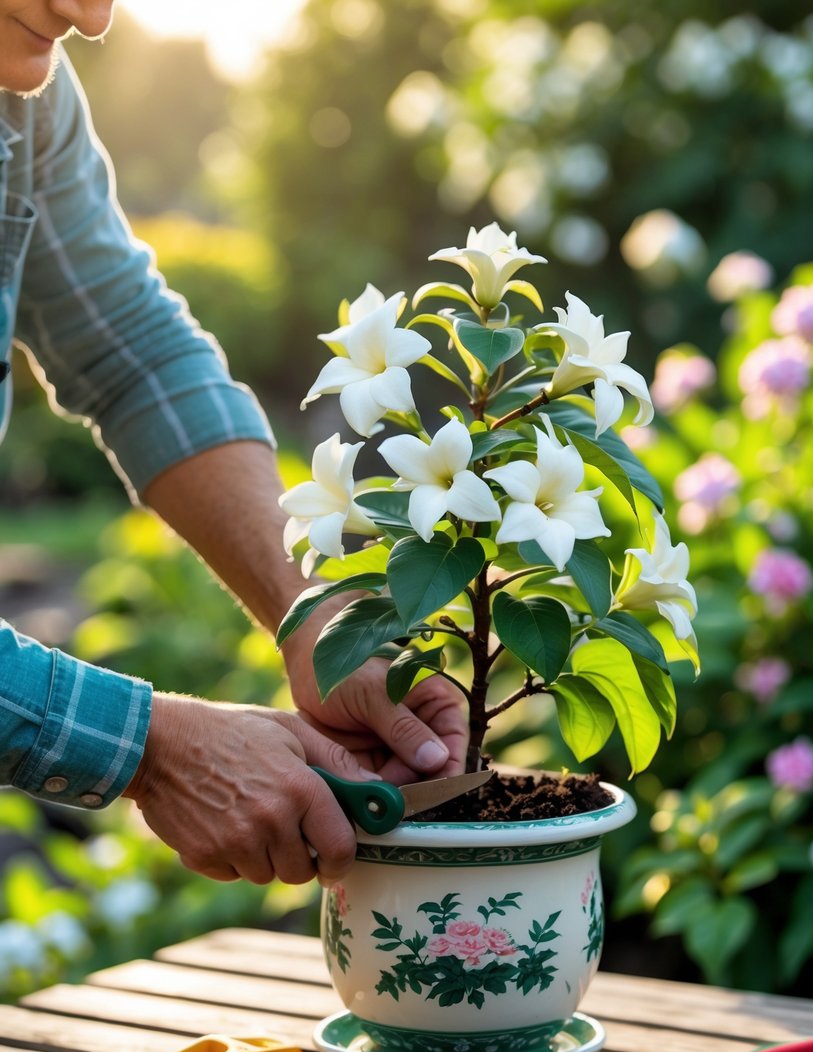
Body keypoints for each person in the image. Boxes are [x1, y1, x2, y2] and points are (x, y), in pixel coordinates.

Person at [0, 2, 468, 888]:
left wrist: (311, 615)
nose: (90, 18)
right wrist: (148, 747)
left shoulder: (25, 108)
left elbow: (132, 355)